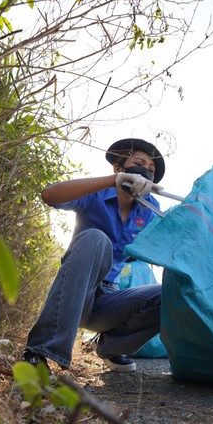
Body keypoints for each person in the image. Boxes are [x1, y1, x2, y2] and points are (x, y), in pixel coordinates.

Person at [21, 138, 165, 373]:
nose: (145, 171)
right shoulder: (96, 194)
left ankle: (111, 346)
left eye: (151, 170)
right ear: (119, 168)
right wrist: (113, 181)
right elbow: (49, 195)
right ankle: (41, 350)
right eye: (139, 163)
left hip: (110, 300)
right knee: (96, 238)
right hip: (77, 291)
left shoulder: (150, 208)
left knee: (168, 293)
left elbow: (164, 247)